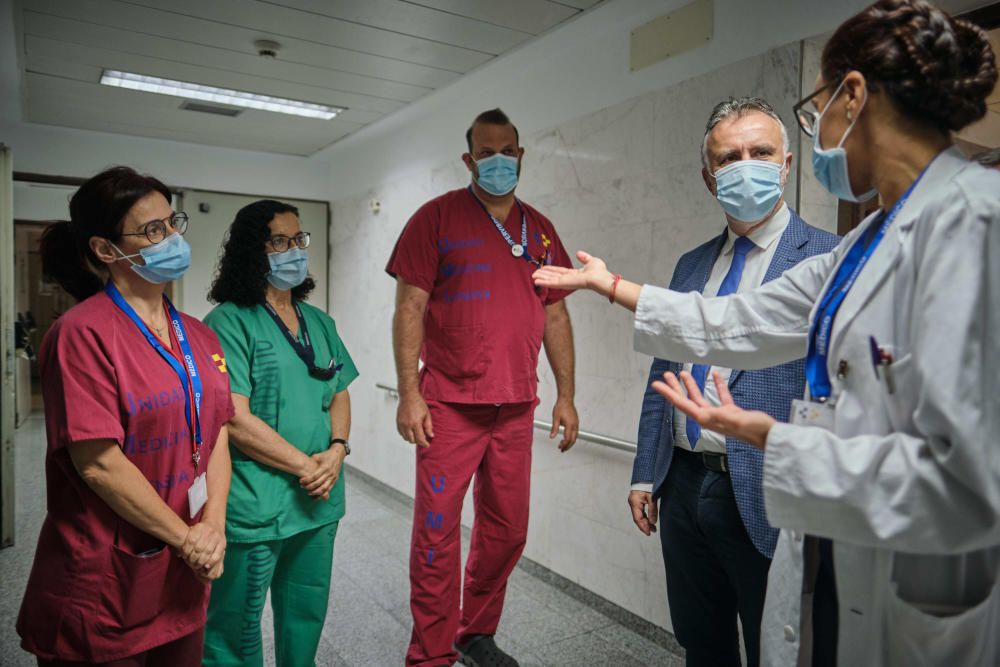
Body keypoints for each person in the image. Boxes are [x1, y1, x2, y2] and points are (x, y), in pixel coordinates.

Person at [533, 1, 999, 664]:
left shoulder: (976, 223)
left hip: (928, 592)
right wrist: (608, 285)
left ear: (854, 95)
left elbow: (966, 483)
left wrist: (771, 437)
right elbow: (739, 318)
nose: (821, 136)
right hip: (846, 550)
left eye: (817, 113)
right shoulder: (868, 240)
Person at [630, 96, 840, 667]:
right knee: (703, 642)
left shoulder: (827, 257)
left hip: (768, 490)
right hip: (683, 486)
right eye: (729, 157)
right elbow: (662, 368)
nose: (745, 165)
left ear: (788, 164)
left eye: (760, 152)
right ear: (708, 177)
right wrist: (646, 474)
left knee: (780, 647)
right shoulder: (691, 265)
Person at [16, 166, 234, 665]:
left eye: (173, 224)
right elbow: (99, 464)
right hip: (106, 579)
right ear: (105, 249)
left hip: (184, 572)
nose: (172, 238)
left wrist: (213, 527)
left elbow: (218, 432)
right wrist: (187, 539)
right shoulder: (81, 334)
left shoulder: (199, 336)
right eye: (152, 231)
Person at [387, 108, 579, 667]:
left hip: (516, 408)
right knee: (437, 535)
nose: (500, 160)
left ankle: (476, 633)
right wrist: (409, 392)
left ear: (521, 154)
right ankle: (429, 654)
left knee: (507, 530)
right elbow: (410, 308)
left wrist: (566, 394)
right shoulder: (436, 218)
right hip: (448, 407)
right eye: (487, 152)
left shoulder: (540, 228)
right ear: (469, 159)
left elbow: (558, 317)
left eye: (508, 150)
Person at [202, 200, 358, 666]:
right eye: (280, 241)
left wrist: (337, 450)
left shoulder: (320, 322)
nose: (294, 251)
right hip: (258, 502)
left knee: (305, 614)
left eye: (299, 240)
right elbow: (234, 416)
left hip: (317, 499)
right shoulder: (229, 322)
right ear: (255, 250)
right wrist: (305, 465)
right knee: (236, 626)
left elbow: (339, 392)